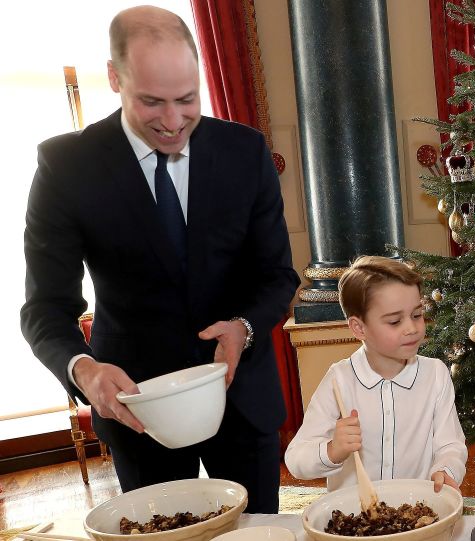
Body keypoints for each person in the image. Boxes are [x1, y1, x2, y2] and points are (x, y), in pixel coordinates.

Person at [20, 6, 300, 513]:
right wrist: (84, 371)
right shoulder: (66, 167)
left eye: (187, 100)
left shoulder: (245, 152)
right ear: (114, 77)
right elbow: (43, 308)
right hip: (136, 410)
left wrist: (245, 327)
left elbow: (277, 276)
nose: (173, 123)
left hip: (242, 401)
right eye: (152, 102)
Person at [284, 256, 467, 493]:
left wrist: (445, 470)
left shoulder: (436, 374)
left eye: (417, 315)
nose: (412, 328)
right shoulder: (339, 379)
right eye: (394, 321)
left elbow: (451, 445)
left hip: (416, 512)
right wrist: (333, 450)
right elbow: (296, 459)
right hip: (355, 521)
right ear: (359, 328)